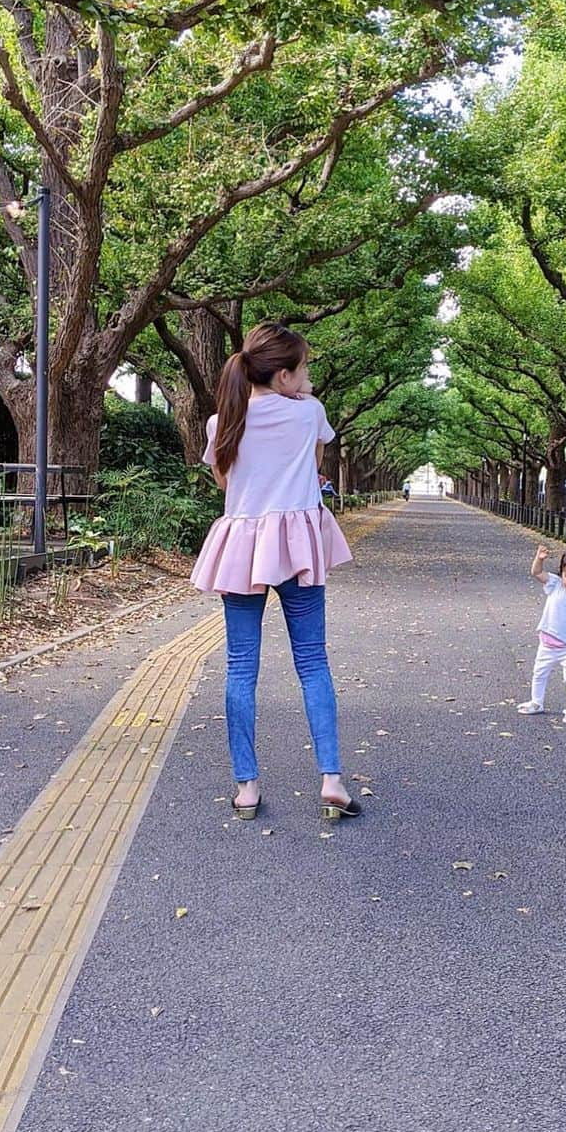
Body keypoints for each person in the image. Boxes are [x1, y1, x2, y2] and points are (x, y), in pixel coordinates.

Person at [191, 322, 361, 821]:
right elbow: (313, 464)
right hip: (297, 545)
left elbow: (226, 481)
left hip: (243, 545)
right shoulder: (309, 413)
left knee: (241, 665)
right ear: (284, 375)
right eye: (304, 367)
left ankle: (246, 787)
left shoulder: (221, 421)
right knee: (312, 661)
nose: (309, 376)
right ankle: (331, 779)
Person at [516, 544, 566, 723]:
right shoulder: (555, 585)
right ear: (561, 573)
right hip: (547, 643)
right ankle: (536, 702)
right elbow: (537, 573)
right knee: (539, 673)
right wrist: (539, 558)